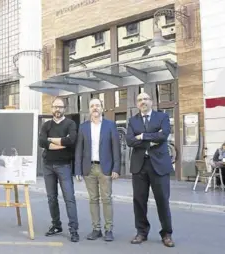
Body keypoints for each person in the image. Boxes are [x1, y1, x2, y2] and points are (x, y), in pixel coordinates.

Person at [126, 92, 175, 247]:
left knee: (162, 201)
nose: (143, 102)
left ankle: (166, 234)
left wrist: (142, 137)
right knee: (139, 201)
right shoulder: (133, 121)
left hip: (159, 165)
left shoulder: (162, 117)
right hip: (139, 166)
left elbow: (164, 136)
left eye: (145, 99)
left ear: (151, 102)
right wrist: (151, 139)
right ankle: (141, 232)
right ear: (137, 103)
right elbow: (129, 141)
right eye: (140, 100)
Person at [74, 98, 121, 242]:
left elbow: (116, 148)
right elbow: (79, 149)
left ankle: (108, 230)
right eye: (92, 106)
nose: (95, 108)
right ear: (89, 109)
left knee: (106, 199)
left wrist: (116, 168)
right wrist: (77, 170)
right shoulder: (83, 127)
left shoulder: (110, 125)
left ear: (102, 108)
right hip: (89, 168)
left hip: (105, 167)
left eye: (97, 105)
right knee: (93, 199)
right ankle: (96, 229)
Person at [38, 97, 79, 242]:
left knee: (69, 198)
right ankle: (56, 225)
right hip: (48, 165)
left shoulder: (70, 124)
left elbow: (71, 140)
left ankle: (74, 230)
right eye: (55, 107)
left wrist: (51, 140)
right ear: (52, 108)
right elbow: (41, 141)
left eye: (60, 107)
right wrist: (61, 141)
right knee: (51, 198)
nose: (57, 110)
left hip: (64, 165)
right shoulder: (46, 125)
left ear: (64, 109)